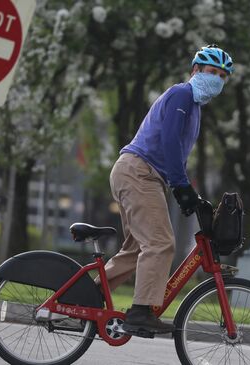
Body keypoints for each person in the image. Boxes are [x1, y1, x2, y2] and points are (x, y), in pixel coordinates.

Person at [98, 44, 234, 335]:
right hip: (139, 173)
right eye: (212, 72)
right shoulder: (182, 94)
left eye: (223, 76)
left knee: (137, 250)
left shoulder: (194, 107)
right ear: (195, 70)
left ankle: (86, 296)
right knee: (160, 243)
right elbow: (170, 141)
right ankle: (141, 312)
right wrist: (180, 185)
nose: (217, 80)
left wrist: (184, 189)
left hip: (139, 174)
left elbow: (174, 149)